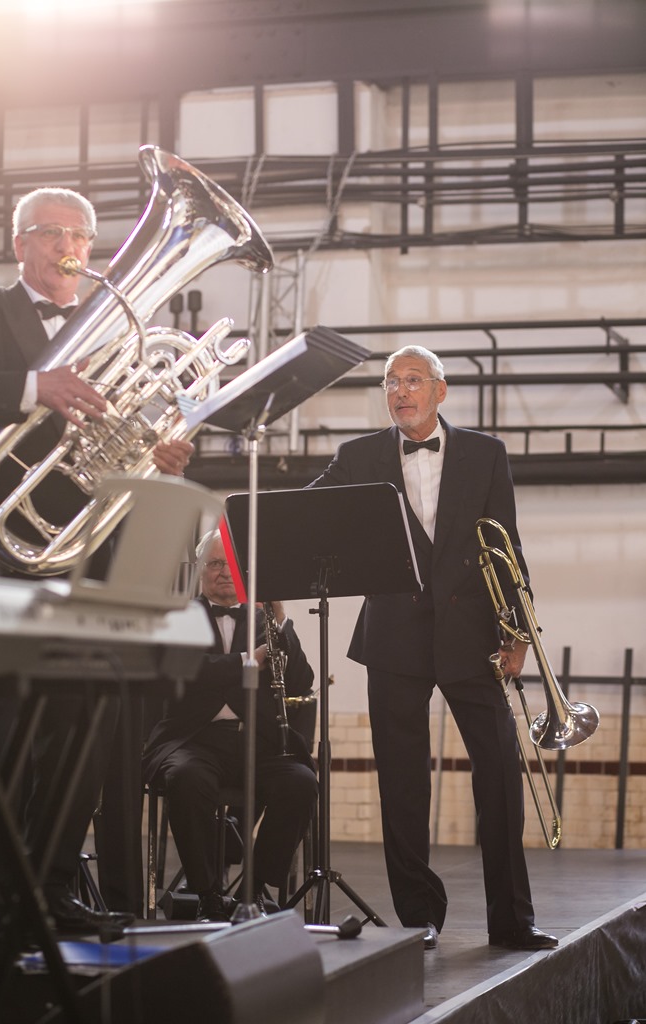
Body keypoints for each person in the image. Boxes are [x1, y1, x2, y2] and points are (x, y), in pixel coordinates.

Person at [0, 186, 192, 938]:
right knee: (6, 727)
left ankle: (53, 886)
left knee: (83, 724)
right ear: (19, 242)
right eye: (51, 233)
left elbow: (127, 428)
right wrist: (36, 385)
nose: (69, 247)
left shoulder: (122, 326)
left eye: (82, 236)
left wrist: (159, 451)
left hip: (93, 546)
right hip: (6, 542)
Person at [308, 344, 558, 952]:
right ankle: (419, 917)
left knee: (500, 776)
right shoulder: (359, 455)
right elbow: (305, 514)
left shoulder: (486, 453)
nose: (400, 391)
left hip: (473, 636)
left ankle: (512, 921)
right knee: (402, 784)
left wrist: (518, 633)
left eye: (413, 380)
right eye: (391, 381)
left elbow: (506, 546)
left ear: (440, 391)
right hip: (393, 636)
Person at [142, 529, 318, 922]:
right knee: (186, 778)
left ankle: (252, 891)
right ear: (199, 570)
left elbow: (300, 682)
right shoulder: (179, 616)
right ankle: (207, 894)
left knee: (300, 782)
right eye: (215, 564)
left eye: (232, 564)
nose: (224, 572)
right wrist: (245, 662)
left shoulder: (263, 618)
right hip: (194, 739)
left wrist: (282, 621)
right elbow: (183, 671)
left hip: (257, 741)